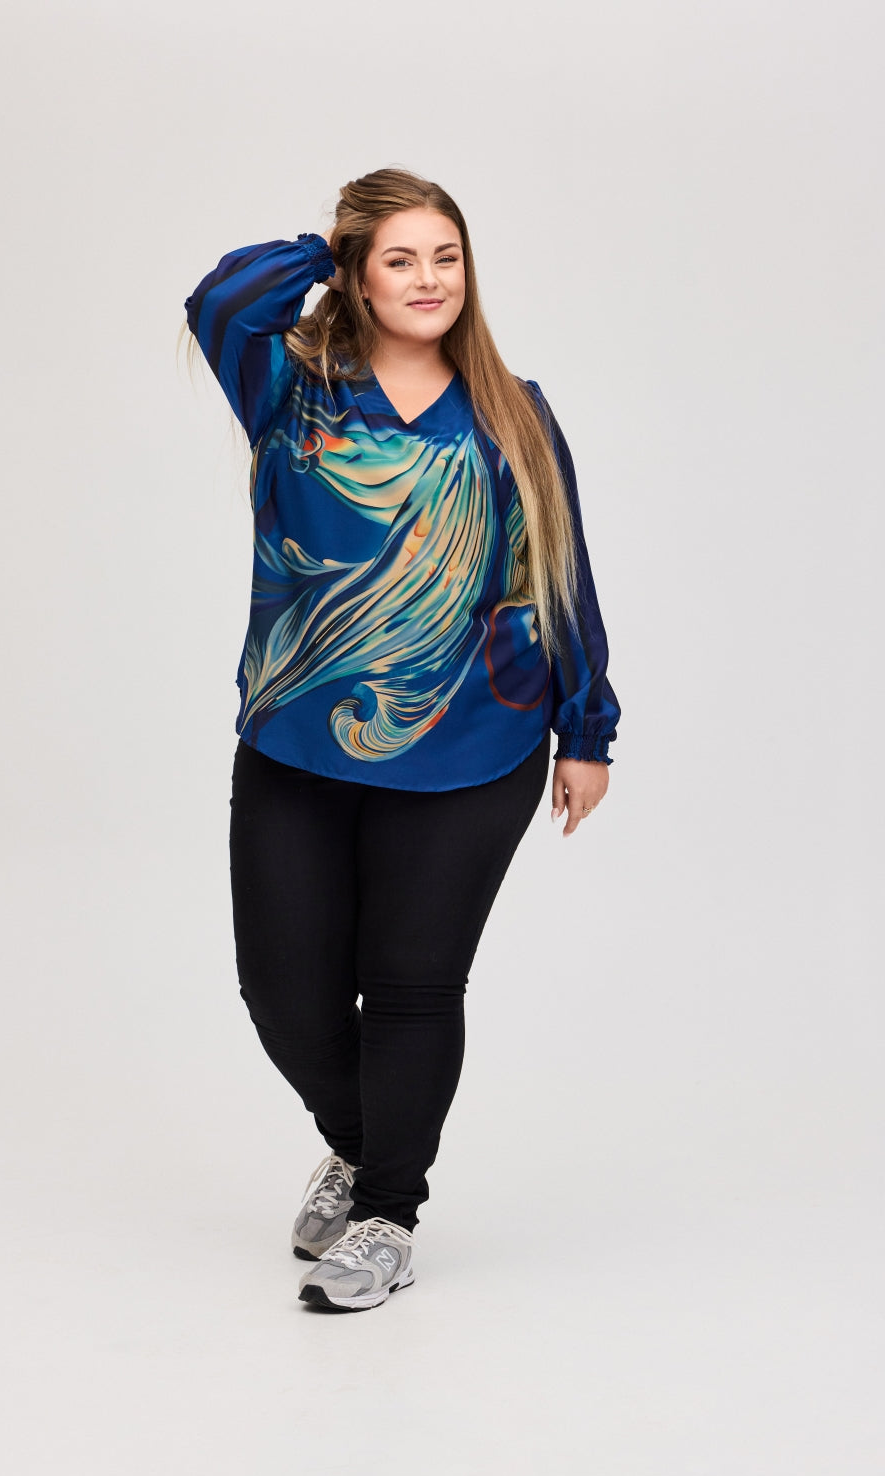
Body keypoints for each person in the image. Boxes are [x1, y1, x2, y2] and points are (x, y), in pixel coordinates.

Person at [181, 167, 620, 1312]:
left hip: (477, 746)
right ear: (357, 276)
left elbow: (557, 575)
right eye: (400, 259)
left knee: (412, 986)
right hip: (294, 742)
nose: (430, 279)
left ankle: (385, 1212)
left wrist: (586, 726)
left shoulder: (514, 409)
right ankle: (360, 1139)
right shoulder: (291, 389)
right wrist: (326, 248)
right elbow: (220, 300)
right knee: (282, 991)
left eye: (447, 257)